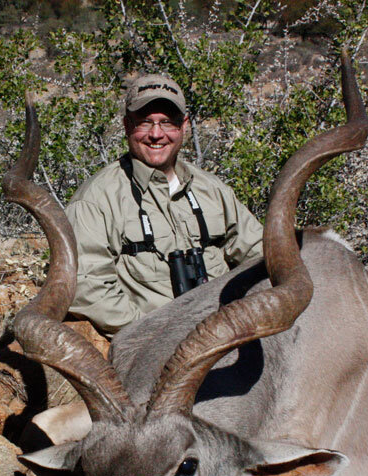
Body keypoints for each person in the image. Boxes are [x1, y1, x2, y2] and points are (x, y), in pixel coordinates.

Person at [66, 73, 264, 335]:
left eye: (167, 123)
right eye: (145, 123)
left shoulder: (213, 189)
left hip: (227, 333)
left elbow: (260, 254)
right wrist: (148, 334)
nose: (156, 134)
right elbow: (86, 288)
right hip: (153, 342)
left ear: (183, 126)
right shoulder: (95, 199)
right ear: (127, 126)